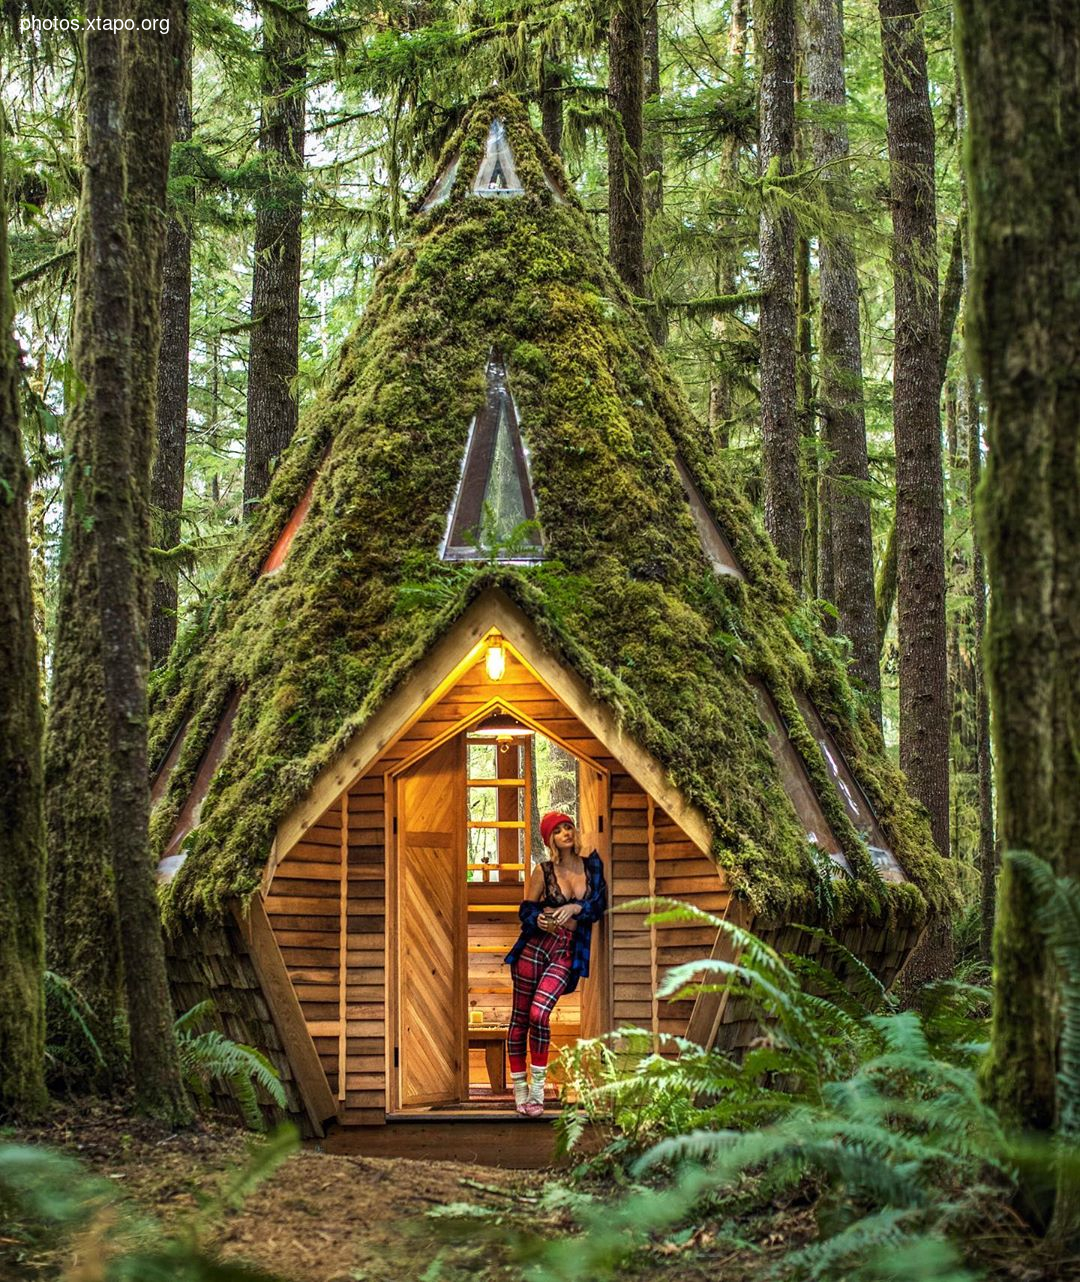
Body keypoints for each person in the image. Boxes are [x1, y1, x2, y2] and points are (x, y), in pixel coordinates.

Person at [503, 810, 608, 1116]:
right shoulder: (544, 871)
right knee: (520, 1017)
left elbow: (599, 905)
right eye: (559, 830)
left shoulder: (592, 867)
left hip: (566, 952)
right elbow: (525, 911)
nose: (566, 832)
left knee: (539, 1012)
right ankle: (520, 1091)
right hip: (536, 946)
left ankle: (537, 1090)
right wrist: (539, 919)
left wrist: (576, 906)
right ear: (550, 838)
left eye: (569, 826)